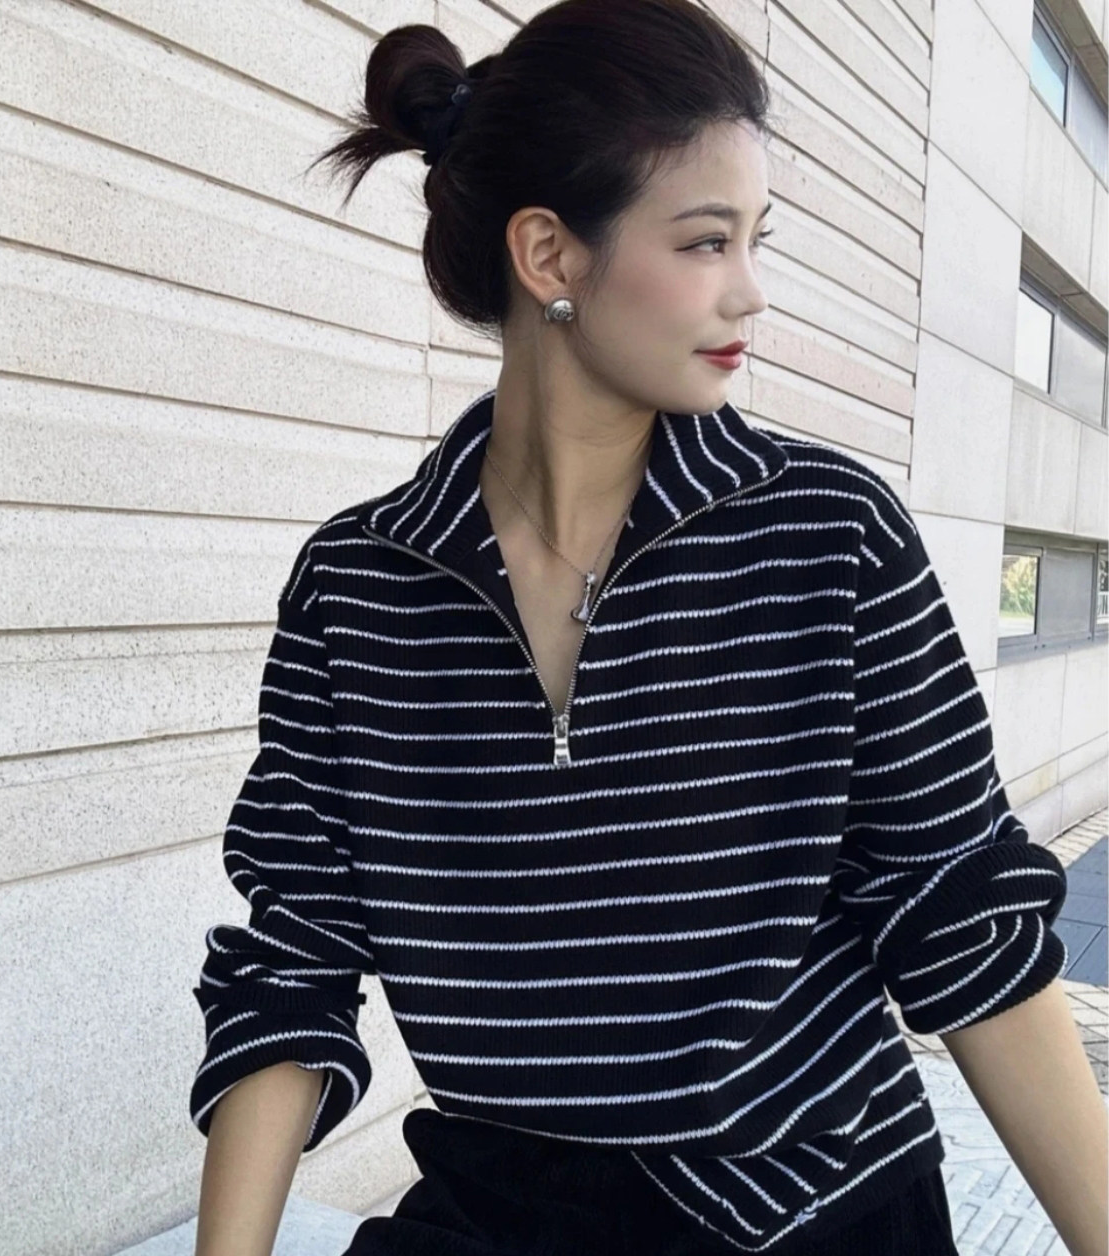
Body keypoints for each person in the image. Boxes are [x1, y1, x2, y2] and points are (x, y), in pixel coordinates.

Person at [187, 2, 1075, 1253]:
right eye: (706, 240)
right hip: (501, 1209)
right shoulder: (358, 588)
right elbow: (292, 958)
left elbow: (957, 916)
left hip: (808, 1208)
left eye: (754, 239)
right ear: (549, 255)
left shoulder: (828, 537)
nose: (748, 291)